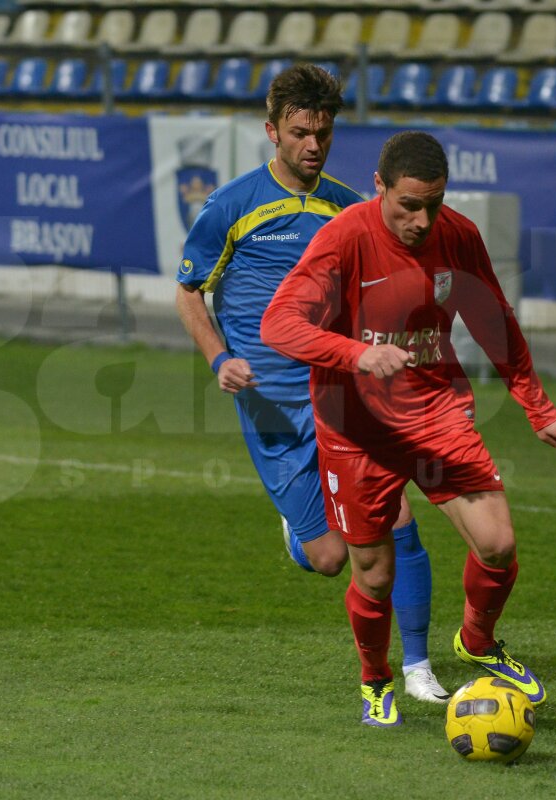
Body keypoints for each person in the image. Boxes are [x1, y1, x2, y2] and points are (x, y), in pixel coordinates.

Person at [261, 131, 556, 727]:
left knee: (498, 544)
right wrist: (355, 355)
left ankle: (478, 642)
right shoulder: (344, 238)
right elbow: (278, 324)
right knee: (375, 576)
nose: (421, 219)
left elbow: (494, 321)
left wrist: (539, 408)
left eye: (433, 203)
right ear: (379, 187)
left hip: (434, 410)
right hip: (354, 428)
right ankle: (375, 680)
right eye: (408, 204)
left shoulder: (457, 235)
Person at [173, 65, 450, 704]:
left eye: (322, 133)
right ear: (272, 131)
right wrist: (220, 360)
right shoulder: (232, 206)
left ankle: (416, 666)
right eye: (300, 133)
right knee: (328, 557)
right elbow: (189, 292)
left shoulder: (350, 208)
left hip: (341, 394)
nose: (313, 146)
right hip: (271, 406)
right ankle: (299, 532)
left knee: (395, 516)